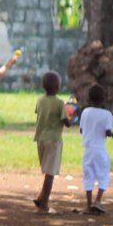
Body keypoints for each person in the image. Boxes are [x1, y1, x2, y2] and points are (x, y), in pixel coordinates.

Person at [79, 84, 113, 215]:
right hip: (100, 149)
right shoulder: (107, 114)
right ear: (104, 99)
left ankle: (88, 204)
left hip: (88, 150)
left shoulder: (85, 112)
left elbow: (81, 130)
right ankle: (98, 201)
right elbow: (108, 132)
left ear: (89, 98)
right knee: (103, 175)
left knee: (88, 176)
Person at [32, 71, 70, 214]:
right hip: (53, 140)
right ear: (57, 87)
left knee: (47, 170)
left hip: (40, 139)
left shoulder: (40, 100)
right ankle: (44, 205)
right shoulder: (60, 103)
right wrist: (72, 115)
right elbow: (67, 123)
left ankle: (41, 197)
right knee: (50, 173)